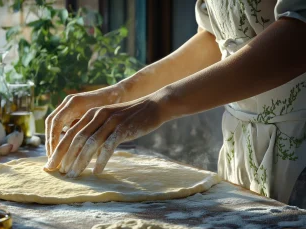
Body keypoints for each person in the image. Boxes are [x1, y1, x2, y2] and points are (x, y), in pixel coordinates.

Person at [44, 0, 306, 207]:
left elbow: (298, 35)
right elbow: (217, 40)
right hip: (241, 145)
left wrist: (159, 103)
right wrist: (120, 93)